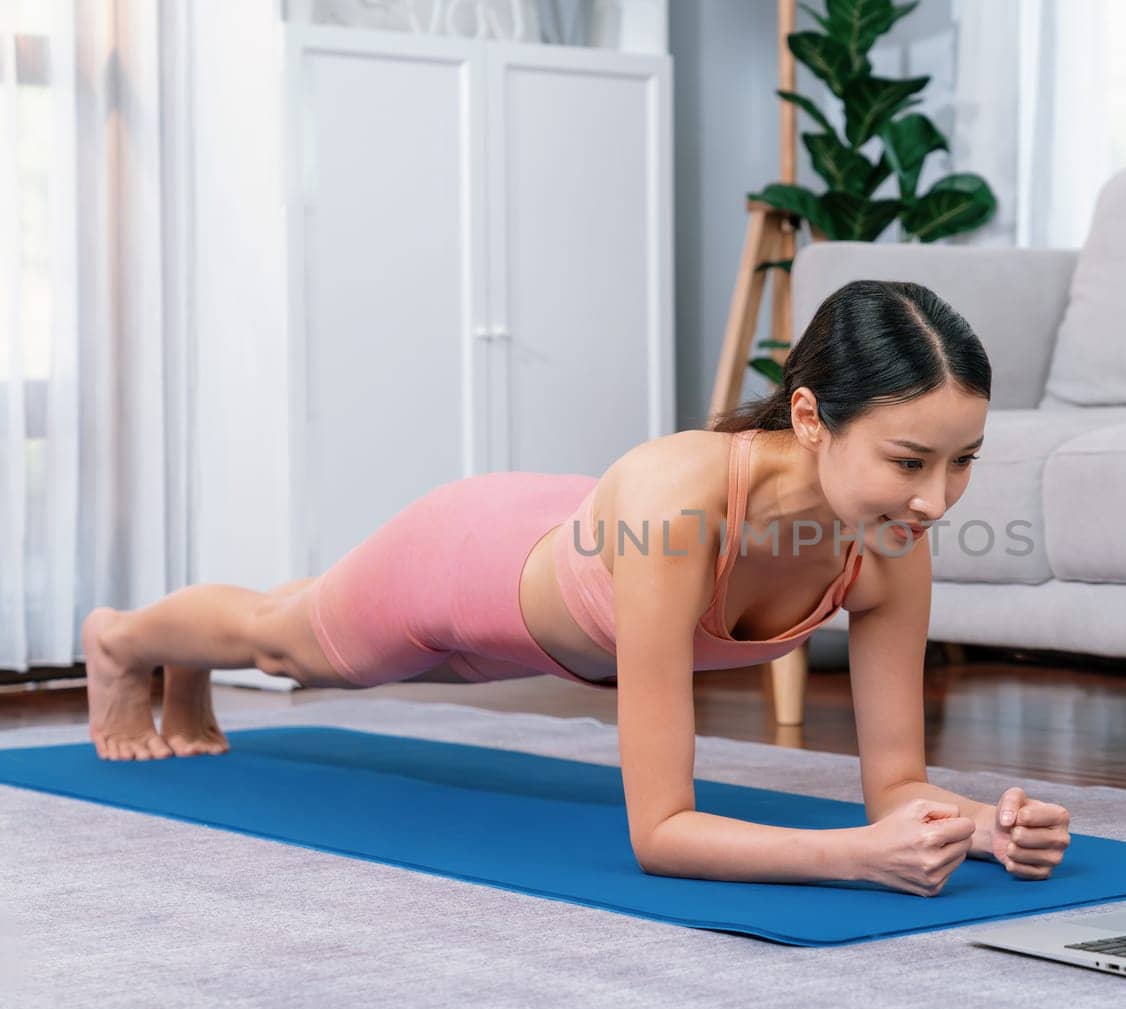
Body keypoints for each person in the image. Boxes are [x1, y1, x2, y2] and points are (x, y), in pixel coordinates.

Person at [81, 279, 1071, 895]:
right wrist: (849, 855)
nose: (938, 499)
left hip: (566, 590)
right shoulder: (683, 504)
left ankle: (183, 666)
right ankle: (127, 640)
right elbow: (661, 830)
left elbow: (892, 783)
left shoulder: (887, 534)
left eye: (963, 462)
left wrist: (974, 825)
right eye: (909, 460)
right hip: (468, 563)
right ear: (810, 418)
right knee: (287, 643)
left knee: (299, 614)